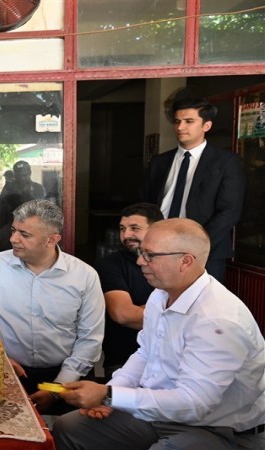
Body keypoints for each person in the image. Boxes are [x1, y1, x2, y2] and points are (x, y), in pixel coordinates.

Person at [53, 218, 265, 450]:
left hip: (220, 428)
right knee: (69, 427)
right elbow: (145, 353)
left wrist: (109, 395)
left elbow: (195, 403)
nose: (140, 261)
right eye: (142, 252)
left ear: (185, 261)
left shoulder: (217, 318)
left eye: (150, 255)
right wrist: (110, 394)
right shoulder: (160, 295)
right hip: (163, 413)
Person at [0, 199, 105, 415]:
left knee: (63, 432)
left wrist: (57, 389)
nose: (13, 239)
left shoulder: (84, 276)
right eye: (14, 230)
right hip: (2, 371)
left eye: (25, 234)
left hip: (67, 378)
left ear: (51, 240)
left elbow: (90, 339)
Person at [140, 97, 245, 283]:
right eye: (177, 121)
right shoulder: (160, 162)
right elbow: (145, 204)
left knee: (202, 299)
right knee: (157, 297)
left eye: (189, 121)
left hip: (205, 251)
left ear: (207, 125)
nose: (180, 127)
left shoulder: (226, 162)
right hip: (158, 248)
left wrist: (197, 245)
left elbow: (229, 211)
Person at [93, 202, 163, 379]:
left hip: (169, 359)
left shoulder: (172, 261)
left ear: (156, 230)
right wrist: (171, 316)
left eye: (134, 228)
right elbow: (123, 315)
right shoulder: (109, 264)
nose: (126, 235)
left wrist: (143, 310)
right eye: (122, 229)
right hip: (123, 361)